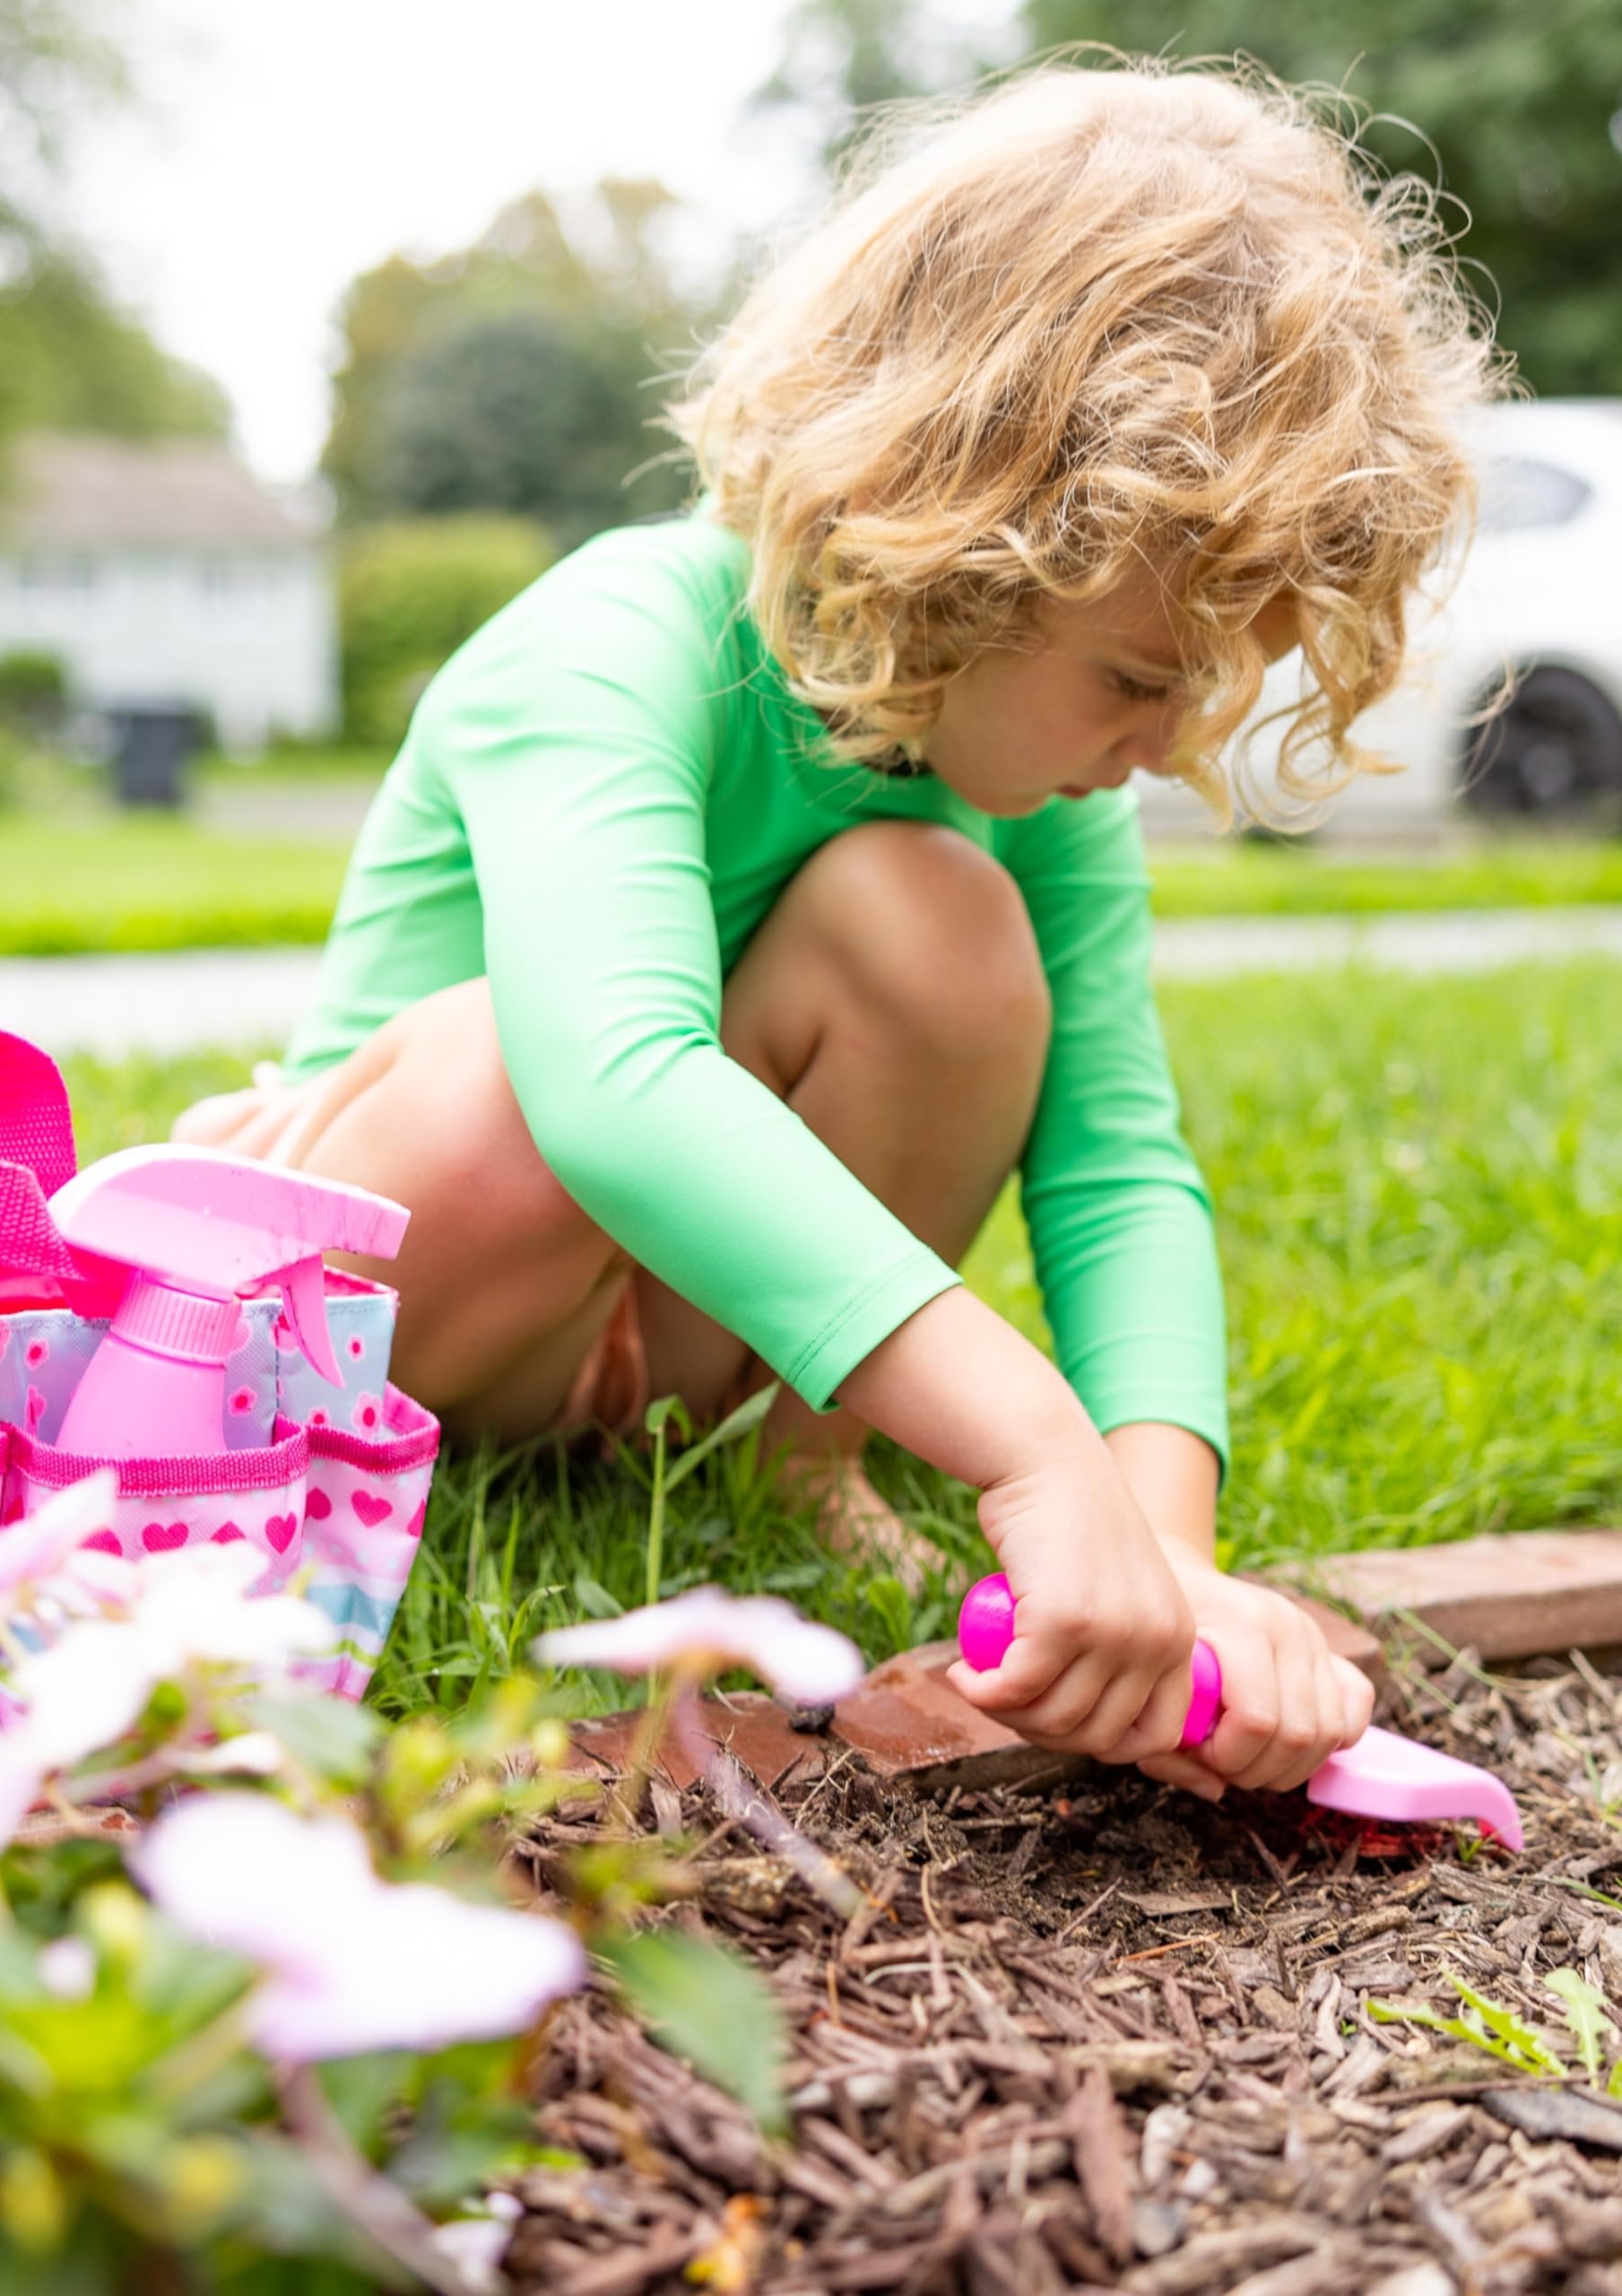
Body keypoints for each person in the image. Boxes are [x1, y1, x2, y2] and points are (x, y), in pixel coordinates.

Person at [176, 59, 1496, 1800]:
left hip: (688, 1345)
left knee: (931, 916)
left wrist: (1158, 1542)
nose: (1160, 752)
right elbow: (616, 1086)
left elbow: (1109, 1157)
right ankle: (636, 1460)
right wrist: (1034, 1453)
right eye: (1133, 680)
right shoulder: (606, 647)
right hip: (421, 1329)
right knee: (519, 1054)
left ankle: (799, 1466)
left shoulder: (1023, 791)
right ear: (967, 538)